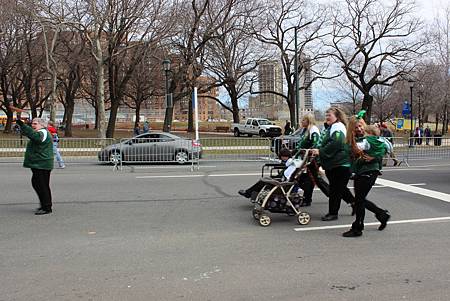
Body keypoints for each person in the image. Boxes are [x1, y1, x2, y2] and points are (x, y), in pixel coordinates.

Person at [342, 118, 391, 237]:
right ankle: (381, 214)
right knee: (360, 199)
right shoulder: (352, 141)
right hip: (360, 172)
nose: (359, 129)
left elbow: (385, 147)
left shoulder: (370, 138)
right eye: (355, 127)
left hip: (370, 171)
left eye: (360, 126)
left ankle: (358, 227)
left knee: (359, 200)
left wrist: (373, 157)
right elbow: (351, 152)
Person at [311, 107, 354, 221]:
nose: (327, 117)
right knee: (340, 188)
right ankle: (354, 203)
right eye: (326, 115)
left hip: (340, 165)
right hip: (336, 164)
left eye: (329, 115)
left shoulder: (337, 126)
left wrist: (321, 151)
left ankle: (333, 213)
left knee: (335, 190)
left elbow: (337, 142)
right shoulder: (332, 127)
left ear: (337, 117)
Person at [13, 113, 54, 215]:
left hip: (42, 164)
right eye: (32, 123)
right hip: (38, 164)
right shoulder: (41, 132)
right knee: (37, 184)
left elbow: (35, 137)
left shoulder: (43, 132)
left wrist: (23, 125)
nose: (33, 125)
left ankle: (47, 207)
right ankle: (44, 205)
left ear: (42, 125)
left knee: (42, 185)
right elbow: (33, 135)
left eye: (35, 124)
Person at [295, 114, 323, 207]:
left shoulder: (313, 130)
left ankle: (307, 199)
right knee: (313, 180)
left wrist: (308, 152)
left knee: (311, 180)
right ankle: (307, 198)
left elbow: (316, 143)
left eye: (303, 120)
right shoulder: (305, 130)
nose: (301, 122)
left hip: (312, 159)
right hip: (306, 158)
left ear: (308, 121)